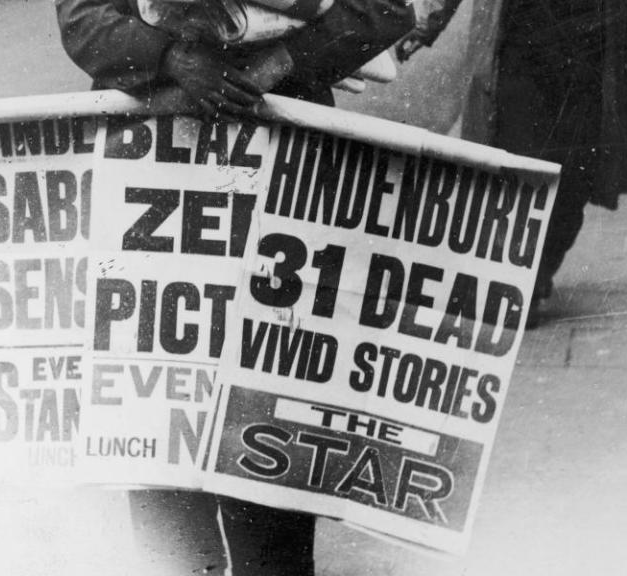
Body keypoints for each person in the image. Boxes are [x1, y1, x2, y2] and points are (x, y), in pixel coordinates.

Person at [55, 1, 415, 574]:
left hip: (281, 159)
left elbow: (386, 9)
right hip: (152, 170)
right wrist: (172, 57)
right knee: (154, 399)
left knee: (271, 392)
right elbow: (82, 19)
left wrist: (281, 62)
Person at [399, 0, 627, 327]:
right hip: (522, 40)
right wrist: (429, 19)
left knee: (574, 172)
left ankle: (538, 270)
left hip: (594, 46)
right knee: (516, 158)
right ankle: (516, 278)